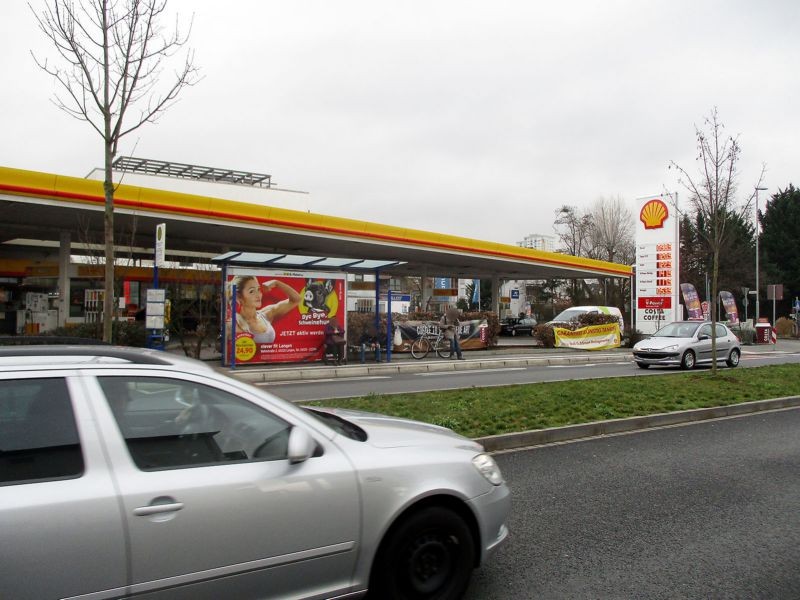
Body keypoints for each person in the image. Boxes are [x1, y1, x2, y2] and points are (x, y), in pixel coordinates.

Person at [228, 276, 301, 344]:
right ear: (239, 296)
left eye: (258, 289)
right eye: (252, 291)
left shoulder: (265, 314)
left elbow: (296, 299)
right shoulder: (234, 323)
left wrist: (277, 283)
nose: (258, 295)